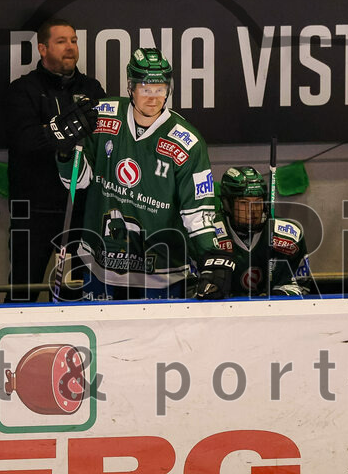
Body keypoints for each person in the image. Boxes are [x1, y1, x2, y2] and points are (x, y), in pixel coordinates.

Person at [57, 47, 233, 301]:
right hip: (102, 262)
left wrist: (211, 255)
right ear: (131, 87)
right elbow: (76, 182)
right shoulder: (102, 116)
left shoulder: (188, 143)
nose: (153, 98)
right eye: (145, 89)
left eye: (160, 89)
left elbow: (198, 214)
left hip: (162, 270)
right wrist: (65, 153)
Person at [6, 17, 104, 302]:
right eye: (61, 42)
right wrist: (61, 130)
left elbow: (105, 142)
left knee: (78, 295)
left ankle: (76, 347)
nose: (70, 47)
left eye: (73, 41)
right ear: (43, 49)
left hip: (80, 211)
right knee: (23, 293)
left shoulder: (92, 89)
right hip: (32, 212)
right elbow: (24, 141)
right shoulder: (22, 90)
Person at [218, 166, 311, 297]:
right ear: (227, 204)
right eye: (244, 203)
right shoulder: (210, 234)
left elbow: (302, 287)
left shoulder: (289, 236)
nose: (252, 210)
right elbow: (193, 288)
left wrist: (279, 296)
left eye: (258, 202)